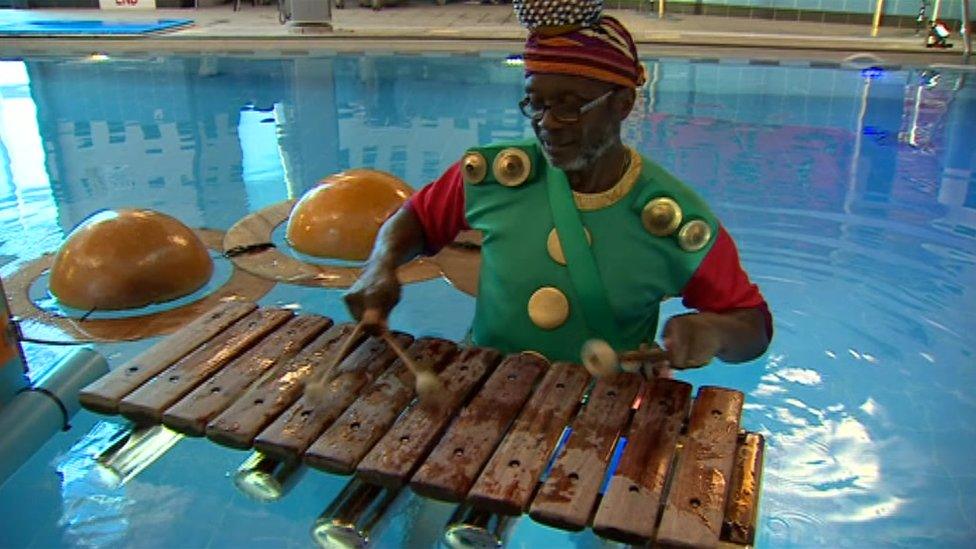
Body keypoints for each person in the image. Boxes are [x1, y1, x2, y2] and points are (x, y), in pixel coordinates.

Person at [344, 13, 772, 374]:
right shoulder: (492, 176)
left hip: (603, 421)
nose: (547, 123)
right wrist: (380, 264)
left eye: (569, 105)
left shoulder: (673, 218)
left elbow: (753, 325)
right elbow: (416, 218)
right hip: (480, 391)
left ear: (622, 104)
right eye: (536, 103)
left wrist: (715, 332)